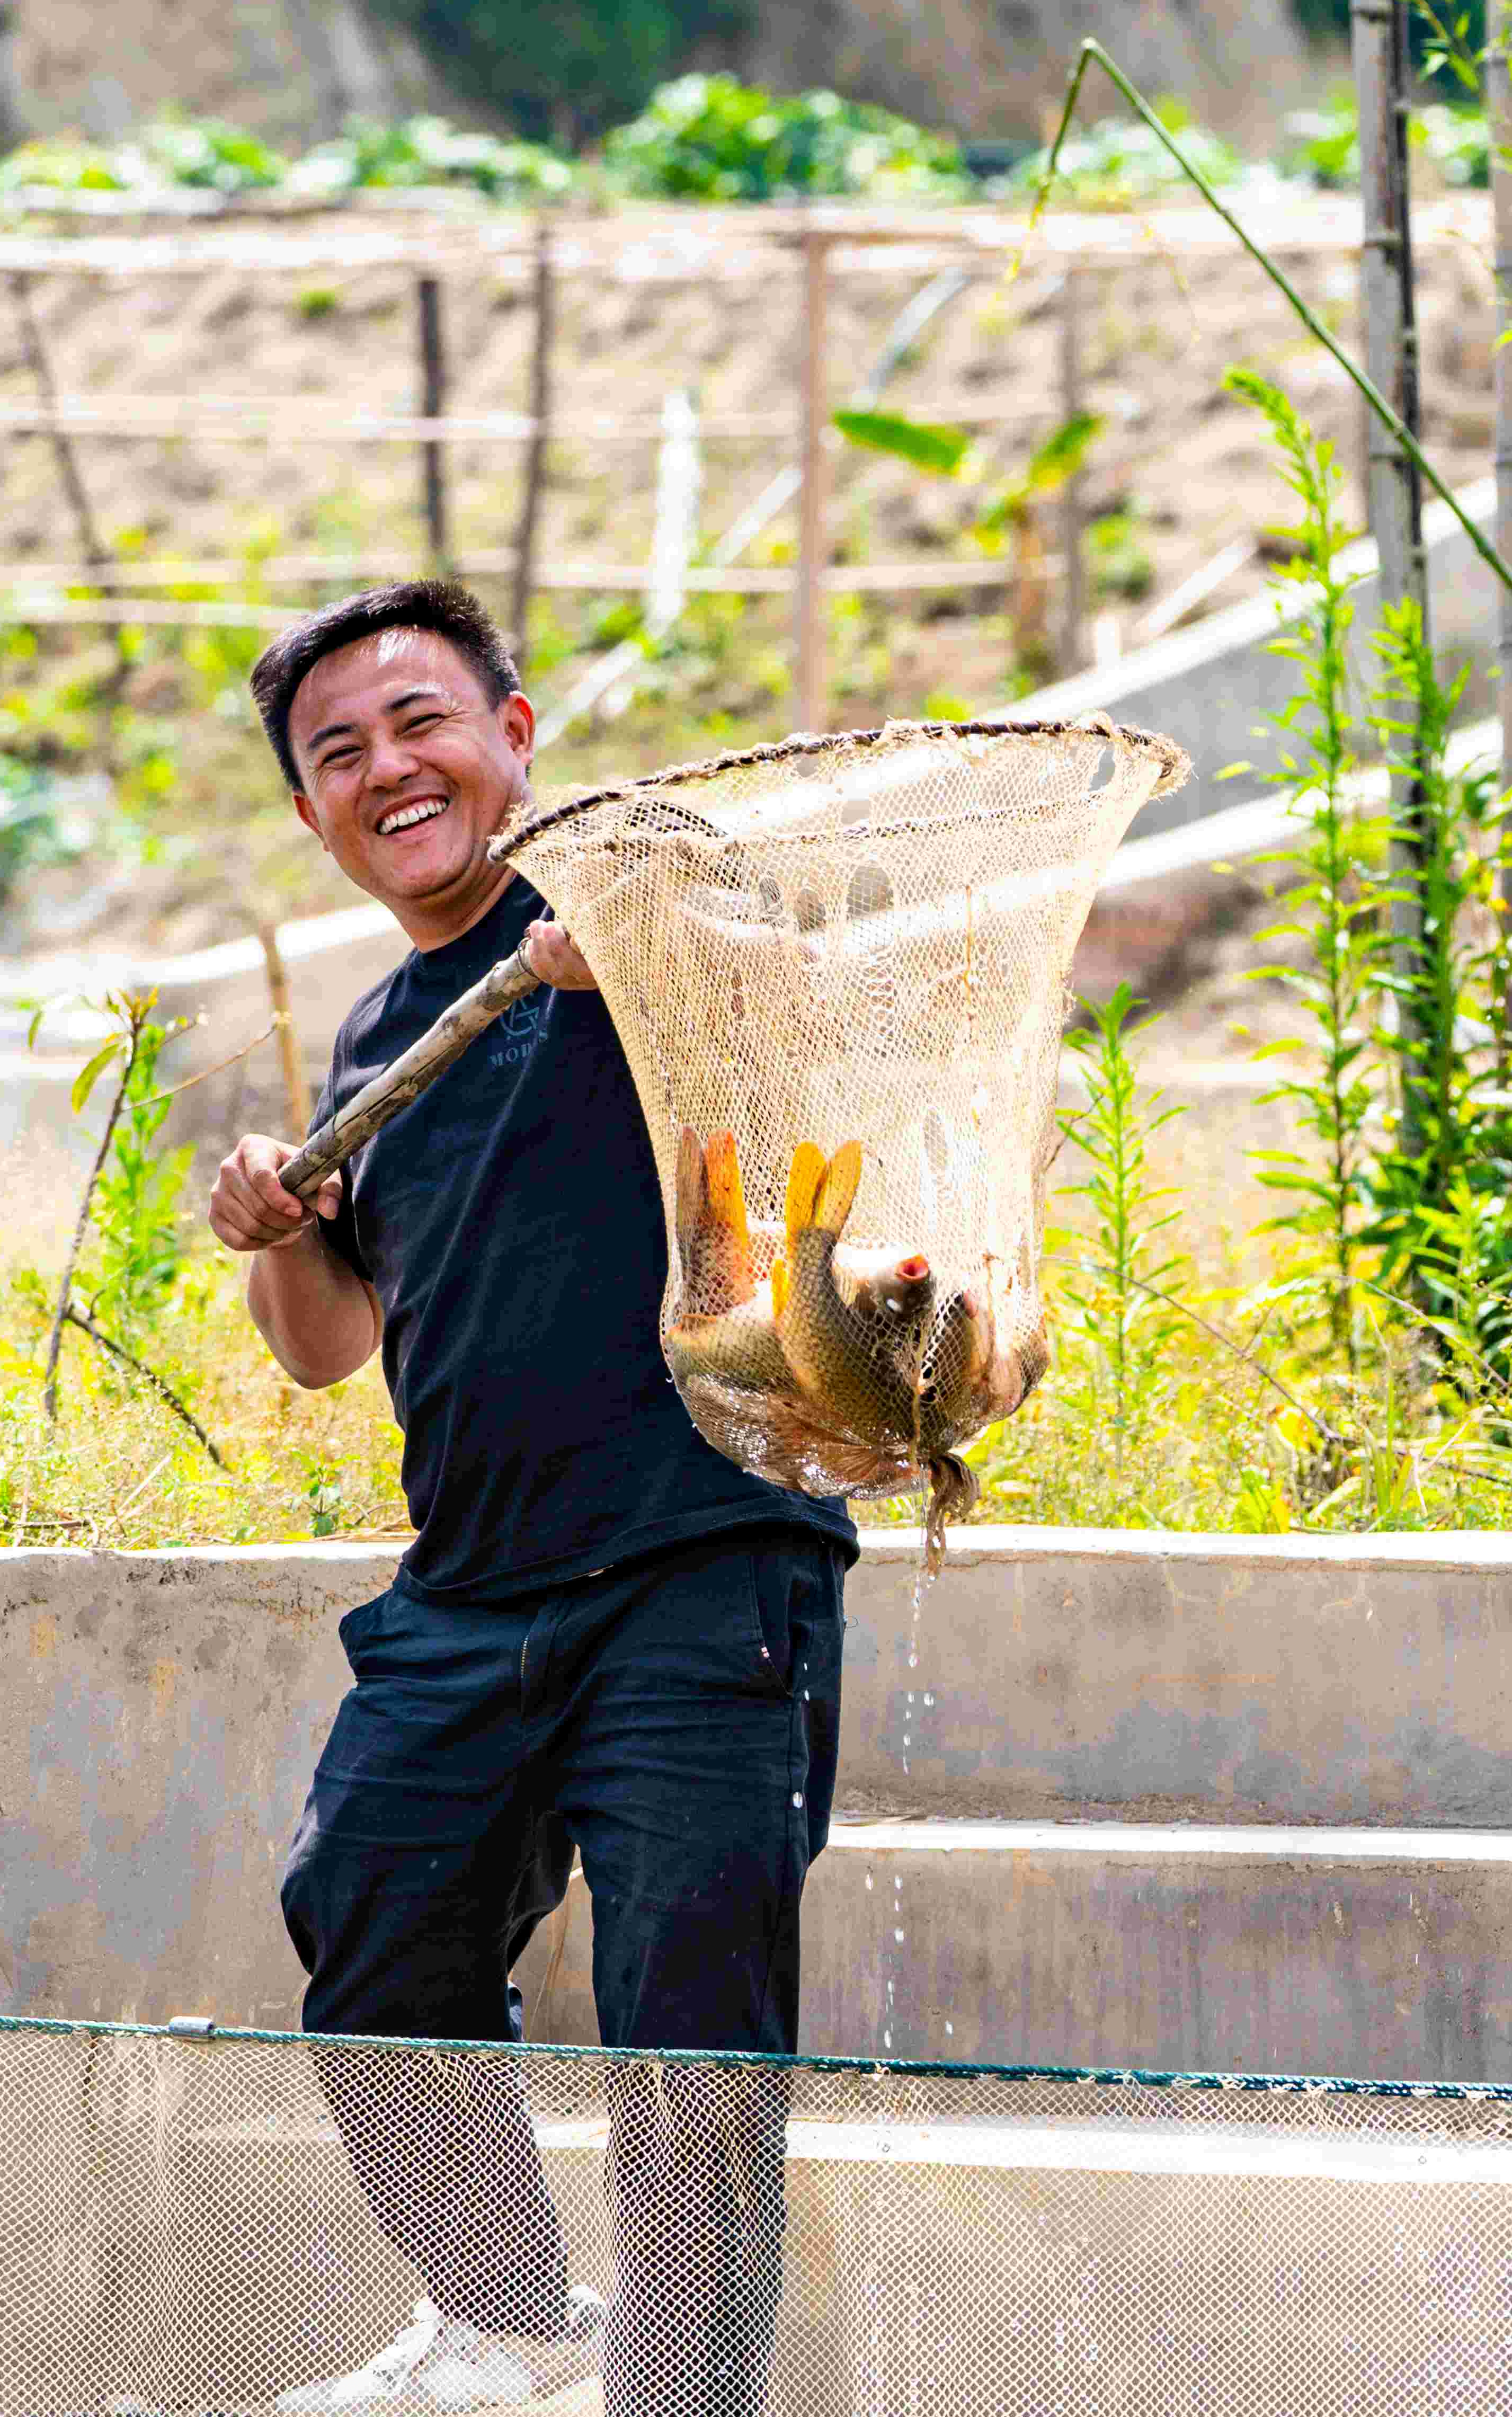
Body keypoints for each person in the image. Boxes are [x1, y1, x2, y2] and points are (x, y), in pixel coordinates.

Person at [210, 581, 858, 2416]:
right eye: (336, 753)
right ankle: (506, 2330)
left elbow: (809, 1007)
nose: (386, 768)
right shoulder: (369, 1046)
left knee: (692, 2038)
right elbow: (325, 1347)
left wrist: (651, 956)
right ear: (311, 813)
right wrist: (281, 1230)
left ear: (513, 730)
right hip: (473, 1593)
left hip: (702, 1559)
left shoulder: (652, 923)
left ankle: (678, 2407)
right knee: (369, 1926)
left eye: (420, 721)